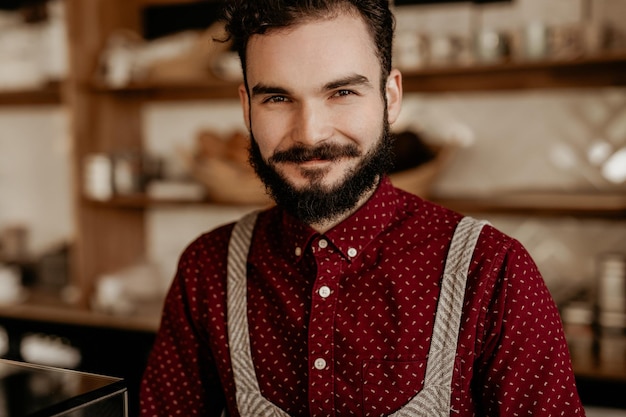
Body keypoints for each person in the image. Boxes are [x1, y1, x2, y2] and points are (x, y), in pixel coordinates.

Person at [140, 1, 585, 416]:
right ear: (246, 108)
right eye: (277, 98)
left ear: (390, 96)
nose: (310, 133)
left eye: (342, 93)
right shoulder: (206, 269)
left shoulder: (493, 271)